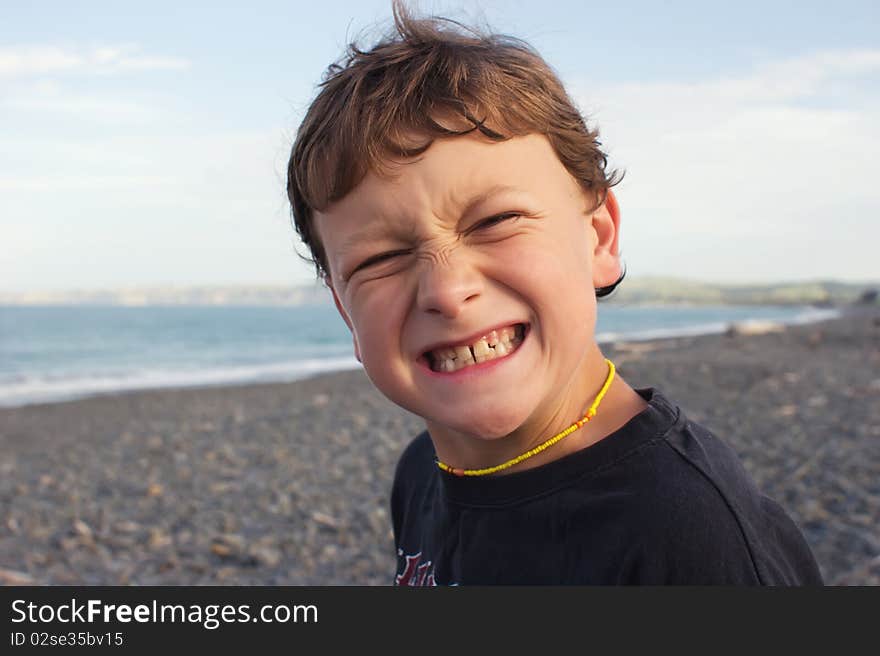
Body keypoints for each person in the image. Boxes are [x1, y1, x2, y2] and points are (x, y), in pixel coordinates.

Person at [286, 0, 824, 585]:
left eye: (495, 221)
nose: (447, 288)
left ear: (598, 237)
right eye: (381, 258)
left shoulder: (686, 536)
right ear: (344, 309)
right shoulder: (422, 473)